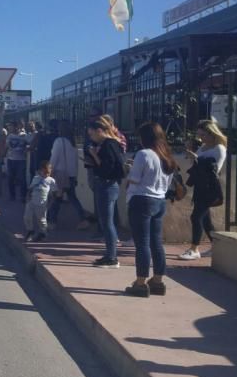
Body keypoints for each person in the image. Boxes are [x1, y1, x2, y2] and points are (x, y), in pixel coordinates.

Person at [124, 122, 176, 297]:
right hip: (159, 201)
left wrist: (129, 169)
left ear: (144, 138)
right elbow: (168, 183)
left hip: (141, 200)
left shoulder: (143, 154)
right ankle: (158, 281)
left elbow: (135, 179)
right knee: (156, 242)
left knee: (142, 244)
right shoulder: (167, 156)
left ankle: (140, 283)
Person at [180, 120, 228, 261]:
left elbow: (214, 169)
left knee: (196, 217)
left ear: (211, 133)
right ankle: (215, 246)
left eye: (203, 134)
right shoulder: (203, 147)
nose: (201, 138)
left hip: (210, 187)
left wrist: (197, 158)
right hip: (200, 186)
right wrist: (193, 156)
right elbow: (196, 166)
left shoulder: (219, 148)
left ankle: (194, 249)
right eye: (199, 135)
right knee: (205, 219)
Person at [86, 116, 126, 269]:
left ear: (99, 130)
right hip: (107, 185)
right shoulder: (111, 143)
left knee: (107, 222)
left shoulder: (109, 144)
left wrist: (95, 156)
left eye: (92, 134)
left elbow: (107, 168)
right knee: (105, 221)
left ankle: (112, 257)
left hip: (107, 185)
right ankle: (110, 254)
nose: (91, 137)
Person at [48, 120, 89, 230]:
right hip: (70, 175)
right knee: (72, 198)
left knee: (56, 198)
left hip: (60, 175)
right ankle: (83, 219)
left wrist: (49, 172)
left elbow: (54, 159)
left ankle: (52, 221)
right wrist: (75, 175)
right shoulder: (73, 142)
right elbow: (75, 161)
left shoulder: (59, 141)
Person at [25, 160, 59, 242]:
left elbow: (54, 193)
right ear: (40, 171)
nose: (46, 174)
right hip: (32, 201)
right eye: (44, 172)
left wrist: (51, 202)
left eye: (48, 172)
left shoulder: (51, 181)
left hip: (42, 203)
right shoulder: (36, 178)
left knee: (41, 220)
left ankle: (43, 233)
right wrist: (28, 198)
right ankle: (30, 230)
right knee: (27, 217)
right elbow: (30, 189)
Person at [5, 122, 28, 201]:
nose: (16, 128)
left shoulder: (24, 135)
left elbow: (29, 144)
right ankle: (12, 195)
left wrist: (26, 148)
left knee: (22, 179)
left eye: (18, 127)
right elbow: (7, 146)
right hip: (11, 159)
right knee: (10, 178)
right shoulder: (10, 136)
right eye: (14, 127)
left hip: (21, 160)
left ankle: (23, 196)